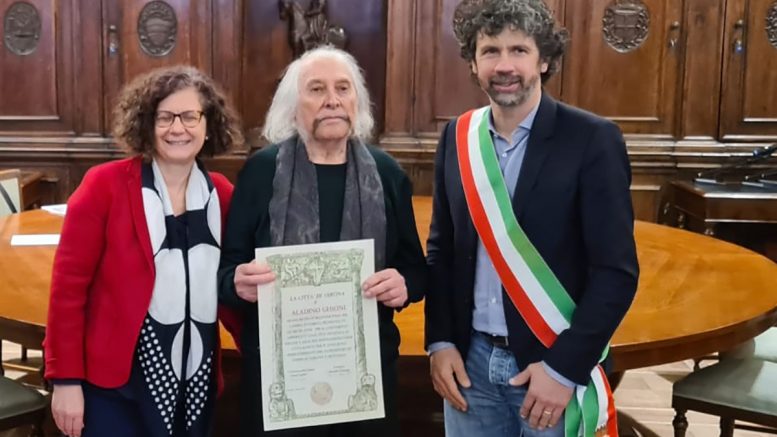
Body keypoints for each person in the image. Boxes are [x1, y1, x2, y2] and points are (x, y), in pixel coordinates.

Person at [424, 1, 640, 436]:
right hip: (470, 367)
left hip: (549, 368)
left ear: (544, 60)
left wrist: (563, 370)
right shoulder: (457, 137)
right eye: (490, 51)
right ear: (473, 63)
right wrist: (440, 341)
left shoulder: (592, 139)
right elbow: (442, 251)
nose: (504, 65)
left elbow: (615, 273)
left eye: (519, 50)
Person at [217, 45, 426, 437]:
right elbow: (226, 272)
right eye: (316, 89)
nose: (332, 100)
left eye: (343, 88)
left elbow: (415, 270)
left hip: (366, 380)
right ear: (292, 107)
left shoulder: (387, 174)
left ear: (357, 101)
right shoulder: (261, 173)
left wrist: (404, 284)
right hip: (281, 382)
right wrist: (237, 283)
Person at [44, 65, 244, 437]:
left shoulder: (222, 194)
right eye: (164, 117)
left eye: (190, 116)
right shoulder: (104, 185)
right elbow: (67, 291)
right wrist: (65, 379)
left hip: (194, 381)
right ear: (146, 124)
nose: (177, 128)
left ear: (208, 124)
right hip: (113, 387)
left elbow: (233, 285)